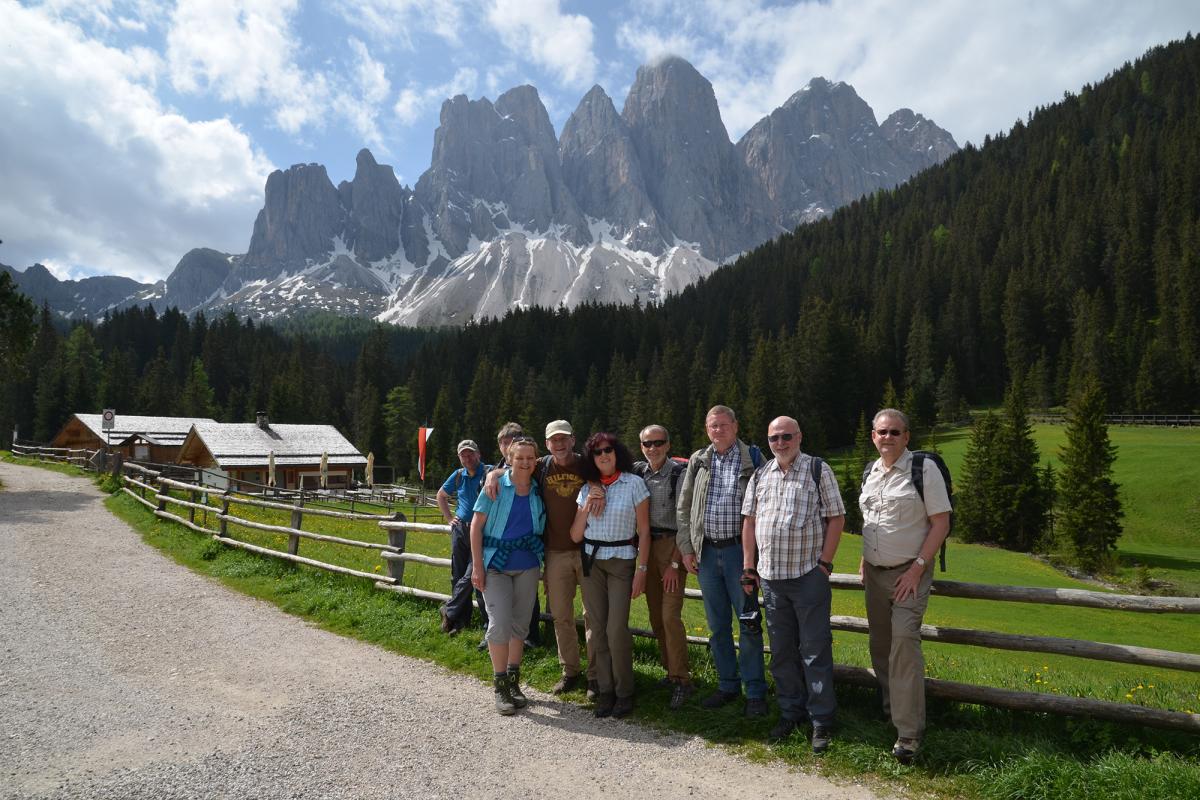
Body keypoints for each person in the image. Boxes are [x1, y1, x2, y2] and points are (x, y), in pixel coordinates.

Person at [741, 416, 845, 753]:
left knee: (815, 650)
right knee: (782, 652)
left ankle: (822, 720)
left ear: (799, 437)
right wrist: (749, 565)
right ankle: (790, 712)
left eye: (787, 436)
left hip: (807, 577)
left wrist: (824, 565)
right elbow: (749, 521)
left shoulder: (817, 469)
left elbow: (836, 517)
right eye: (774, 438)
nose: (781, 443)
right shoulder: (761, 475)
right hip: (771, 579)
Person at [858, 408, 951, 764]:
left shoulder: (922, 470)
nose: (888, 438)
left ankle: (909, 734)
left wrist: (918, 569)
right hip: (876, 574)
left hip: (909, 573)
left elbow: (940, 523)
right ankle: (890, 711)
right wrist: (866, 558)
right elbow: (872, 521)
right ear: (873, 436)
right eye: (882, 432)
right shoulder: (871, 472)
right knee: (880, 644)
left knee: (903, 644)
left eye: (895, 432)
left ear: (907, 436)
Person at [676, 405, 768, 716]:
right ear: (707, 429)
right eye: (713, 426)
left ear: (736, 426)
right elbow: (684, 506)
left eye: (724, 425)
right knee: (717, 627)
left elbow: (766, 506)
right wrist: (687, 548)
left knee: (749, 624)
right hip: (706, 552)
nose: (718, 430)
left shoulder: (753, 459)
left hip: (738, 555)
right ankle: (728, 685)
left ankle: (755, 691)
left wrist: (752, 559)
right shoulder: (699, 461)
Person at [570, 432, 650, 718]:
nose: (604, 456)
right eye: (597, 452)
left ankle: (625, 691)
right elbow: (576, 534)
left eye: (609, 450)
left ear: (617, 453)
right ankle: (606, 690)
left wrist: (642, 569)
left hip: (621, 562)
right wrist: (586, 503)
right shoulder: (586, 489)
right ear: (591, 458)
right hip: (592, 563)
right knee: (597, 629)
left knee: (616, 629)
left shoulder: (634, 484)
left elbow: (644, 531)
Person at [470, 437, 546, 715]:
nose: (525, 462)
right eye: (519, 458)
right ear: (510, 459)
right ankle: (500, 685)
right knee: (499, 623)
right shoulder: (495, 487)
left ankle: (514, 681)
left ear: (536, 460)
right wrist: (477, 566)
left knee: (520, 625)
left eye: (530, 458)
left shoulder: (538, 488)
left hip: (527, 563)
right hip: (496, 565)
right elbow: (475, 527)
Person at [631, 424, 692, 709]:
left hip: (671, 546)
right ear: (641, 446)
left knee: (670, 616)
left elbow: (685, 521)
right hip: (646, 545)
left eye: (658, 443)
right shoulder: (638, 473)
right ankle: (670, 671)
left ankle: (682, 679)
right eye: (647, 443)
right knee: (656, 616)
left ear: (668, 445)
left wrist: (676, 562)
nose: (652, 448)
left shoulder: (679, 473)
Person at [435, 440, 491, 636]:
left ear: (478, 454)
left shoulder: (489, 472)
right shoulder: (458, 475)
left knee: (473, 574)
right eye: (463, 455)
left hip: (483, 531)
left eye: (470, 454)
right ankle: (460, 622)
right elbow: (441, 495)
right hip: (460, 530)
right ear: (459, 457)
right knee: (458, 575)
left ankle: (449, 610)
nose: (467, 458)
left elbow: (505, 472)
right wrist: (449, 518)